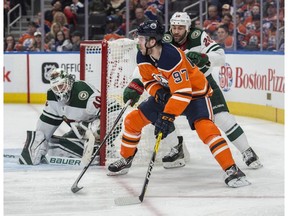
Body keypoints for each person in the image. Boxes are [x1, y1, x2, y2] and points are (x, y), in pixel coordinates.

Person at [107, 20, 251, 188]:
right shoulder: (142, 55)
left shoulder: (171, 56)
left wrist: (167, 116)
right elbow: (147, 80)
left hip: (195, 94)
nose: (138, 41)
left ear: (152, 41)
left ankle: (232, 169)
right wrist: (157, 92)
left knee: (206, 129)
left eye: (141, 38)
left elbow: (183, 93)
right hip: (169, 93)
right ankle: (126, 158)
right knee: (133, 120)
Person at [162, 12, 262, 169]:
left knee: (223, 118)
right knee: (162, 117)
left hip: (204, 84)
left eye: (180, 28)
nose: (176, 31)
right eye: (174, 27)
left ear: (187, 28)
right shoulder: (165, 40)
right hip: (176, 86)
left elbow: (220, 56)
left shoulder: (198, 36)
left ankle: (247, 151)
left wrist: (204, 57)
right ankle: (176, 149)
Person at [18, 68, 121, 165]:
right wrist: (35, 143)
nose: (59, 90)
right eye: (55, 87)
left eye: (62, 86)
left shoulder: (83, 92)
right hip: (81, 132)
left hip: (99, 126)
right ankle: (92, 148)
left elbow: (115, 110)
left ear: (69, 82)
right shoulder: (53, 98)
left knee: (96, 127)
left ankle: (102, 149)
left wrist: (99, 132)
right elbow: (44, 129)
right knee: (53, 147)